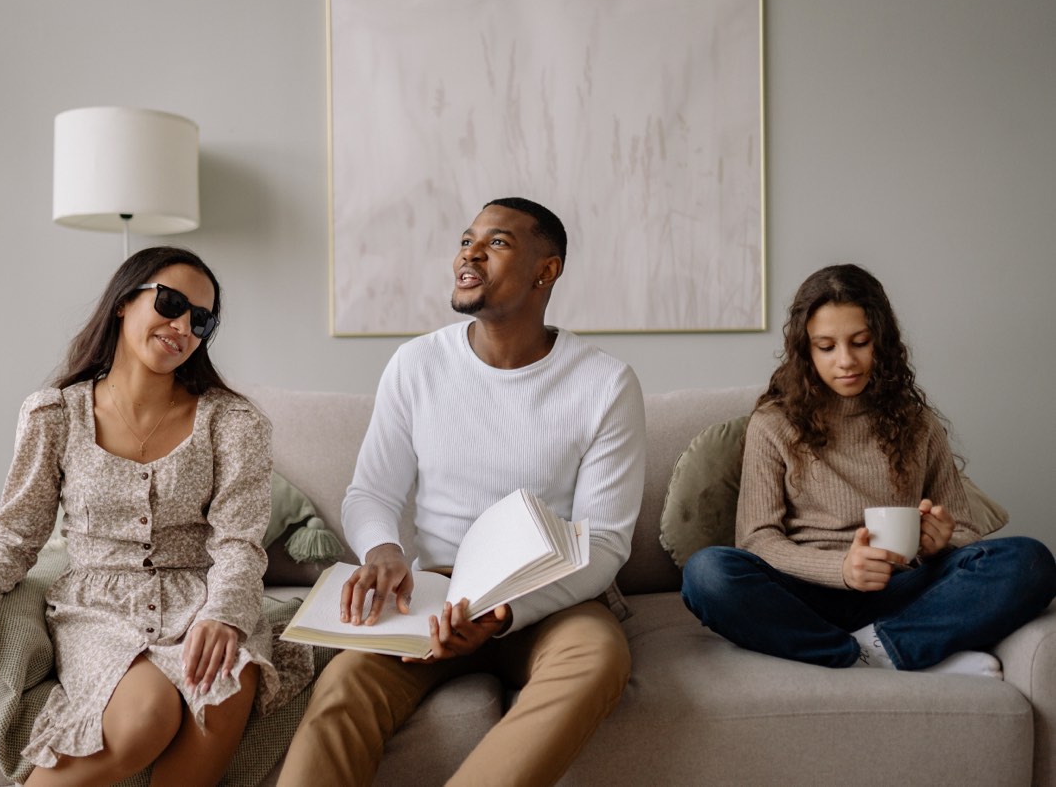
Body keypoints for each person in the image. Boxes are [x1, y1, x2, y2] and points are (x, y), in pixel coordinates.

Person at [277, 198, 646, 786]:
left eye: (496, 243)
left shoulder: (605, 383)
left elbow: (602, 544)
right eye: (466, 239)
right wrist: (383, 552)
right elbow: (370, 492)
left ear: (545, 271)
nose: (469, 253)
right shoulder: (417, 364)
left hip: (553, 599)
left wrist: (502, 616)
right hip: (434, 599)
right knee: (343, 688)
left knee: (600, 657)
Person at [0, 247, 312, 785]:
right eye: (171, 303)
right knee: (142, 720)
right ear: (122, 302)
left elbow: (238, 544)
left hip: (205, 599)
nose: (182, 326)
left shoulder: (235, 422)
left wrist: (225, 615)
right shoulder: (53, 414)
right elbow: (18, 532)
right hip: (100, 605)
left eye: (200, 320)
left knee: (226, 683)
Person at [681, 263, 1056, 675]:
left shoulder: (917, 423)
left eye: (860, 342)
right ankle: (872, 651)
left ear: (882, 341)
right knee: (708, 573)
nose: (846, 361)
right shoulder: (774, 424)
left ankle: (878, 647)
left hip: (900, 589)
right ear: (806, 350)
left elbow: (964, 528)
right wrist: (840, 569)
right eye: (826, 347)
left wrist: (939, 542)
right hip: (807, 595)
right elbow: (756, 540)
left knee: (1031, 561)